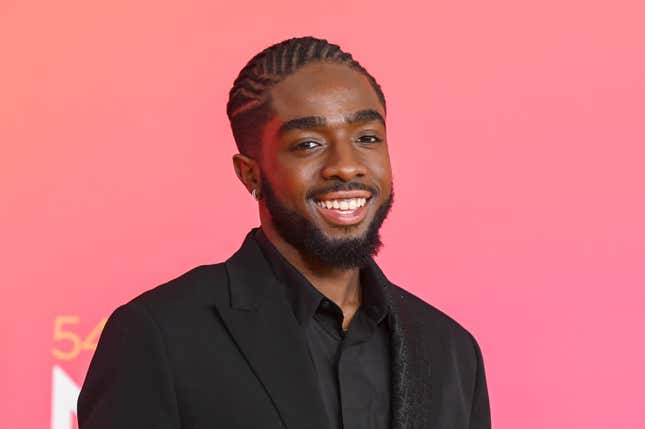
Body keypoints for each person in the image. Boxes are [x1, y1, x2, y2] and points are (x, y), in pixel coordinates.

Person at [77, 36, 491, 429]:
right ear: (249, 173)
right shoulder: (159, 334)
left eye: (367, 138)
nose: (346, 166)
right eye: (308, 144)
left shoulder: (451, 350)